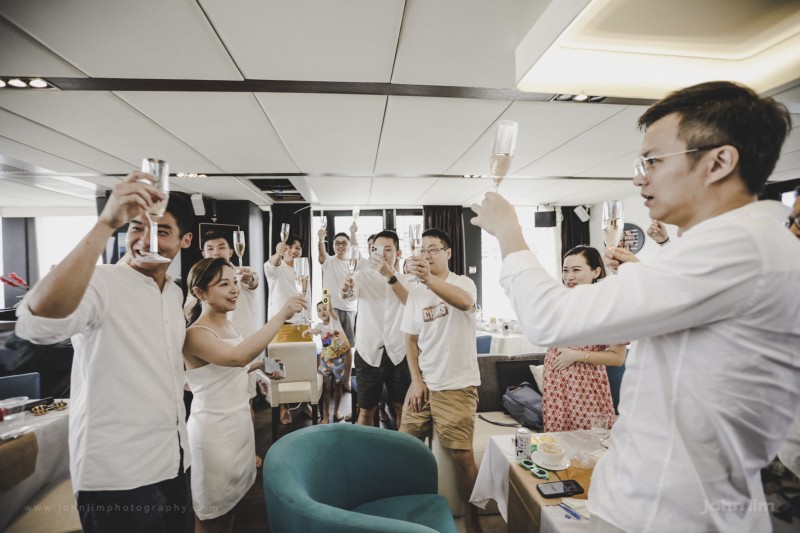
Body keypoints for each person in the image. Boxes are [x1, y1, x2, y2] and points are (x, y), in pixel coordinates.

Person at [471, 81, 800, 532]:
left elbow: (552, 319)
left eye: (652, 160)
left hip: (665, 511)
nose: (638, 176)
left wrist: (508, 232)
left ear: (718, 161)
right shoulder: (749, 248)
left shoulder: (737, 246)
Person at [15, 173, 194, 532]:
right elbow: (37, 325)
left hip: (174, 461)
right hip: (118, 475)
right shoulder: (101, 282)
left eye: (162, 231)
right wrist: (104, 223)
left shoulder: (174, 294)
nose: (146, 240)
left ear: (185, 240)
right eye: (136, 228)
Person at [183, 257, 305, 532]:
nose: (234, 289)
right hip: (213, 433)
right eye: (223, 284)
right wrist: (281, 314)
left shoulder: (229, 325)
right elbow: (237, 357)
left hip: (239, 427)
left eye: (234, 282)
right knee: (211, 513)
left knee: (232, 503)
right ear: (200, 292)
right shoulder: (194, 335)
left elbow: (230, 368)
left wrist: (262, 365)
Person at [400, 228, 483, 533]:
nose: (427, 255)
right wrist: (416, 380)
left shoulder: (463, 283)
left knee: (462, 455)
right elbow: (410, 340)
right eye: (423, 250)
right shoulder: (416, 293)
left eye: (433, 249)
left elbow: (464, 303)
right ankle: (411, 515)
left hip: (457, 385)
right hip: (425, 384)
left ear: (448, 253)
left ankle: (473, 524)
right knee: (404, 448)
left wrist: (428, 279)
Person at [544, 245, 626, 432]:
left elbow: (618, 357)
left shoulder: (607, 306)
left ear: (596, 271)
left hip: (585, 387)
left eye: (576, 270)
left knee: (590, 448)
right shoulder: (561, 302)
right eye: (565, 270)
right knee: (558, 450)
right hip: (555, 386)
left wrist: (577, 355)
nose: (569, 277)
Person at [342, 229, 410, 428]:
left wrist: (389, 275)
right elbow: (348, 294)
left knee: (401, 408)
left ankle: (404, 454)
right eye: (377, 249)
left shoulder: (406, 280)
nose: (382, 254)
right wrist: (345, 289)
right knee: (366, 411)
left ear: (398, 252)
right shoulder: (362, 276)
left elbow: (410, 303)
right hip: (368, 351)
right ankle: (367, 456)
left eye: (388, 249)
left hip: (399, 351)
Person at [264, 233, 311, 425]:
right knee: (278, 366)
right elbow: (270, 265)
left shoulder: (303, 269)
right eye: (290, 247)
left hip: (302, 324)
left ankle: (304, 402)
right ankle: (282, 406)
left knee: (302, 365)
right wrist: (277, 254)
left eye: (298, 247)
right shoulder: (276, 269)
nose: (294, 250)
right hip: (280, 324)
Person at [317, 223, 362, 390]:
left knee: (348, 347)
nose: (341, 245)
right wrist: (321, 239)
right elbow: (321, 256)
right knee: (330, 347)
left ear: (349, 245)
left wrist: (353, 233)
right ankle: (330, 381)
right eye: (338, 243)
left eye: (344, 242)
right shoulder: (329, 261)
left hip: (350, 309)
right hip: (331, 309)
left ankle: (347, 380)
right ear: (334, 246)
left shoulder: (353, 263)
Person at [304, 299, 349, 423]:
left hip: (338, 361)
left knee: (338, 386)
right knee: (326, 388)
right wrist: (307, 331)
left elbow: (333, 314)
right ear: (317, 314)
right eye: (319, 310)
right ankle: (325, 415)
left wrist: (329, 301)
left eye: (325, 309)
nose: (322, 312)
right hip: (325, 361)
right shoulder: (320, 326)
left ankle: (336, 411)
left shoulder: (335, 322)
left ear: (330, 310)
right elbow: (314, 331)